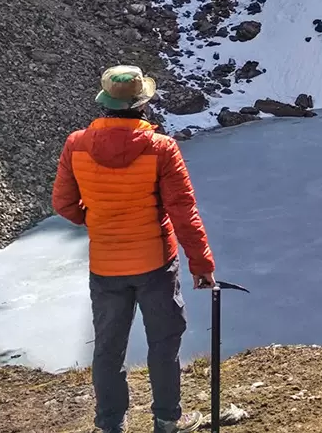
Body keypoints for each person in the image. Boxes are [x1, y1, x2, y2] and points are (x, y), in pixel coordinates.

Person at [52, 65, 216, 433]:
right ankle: (168, 420)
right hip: (156, 264)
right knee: (164, 342)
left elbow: (63, 203)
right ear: (143, 104)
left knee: (108, 346)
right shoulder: (161, 148)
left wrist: (97, 221)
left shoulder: (76, 144)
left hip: (106, 265)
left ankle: (111, 424)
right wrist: (201, 263)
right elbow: (182, 211)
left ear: (105, 103)